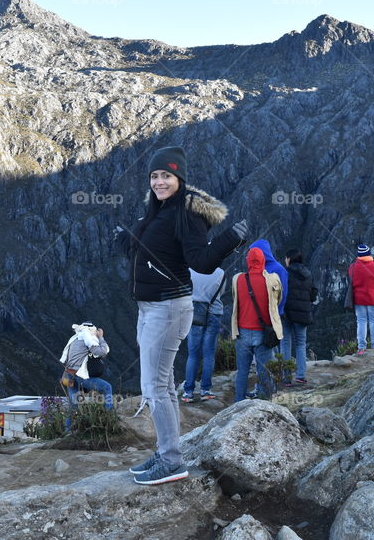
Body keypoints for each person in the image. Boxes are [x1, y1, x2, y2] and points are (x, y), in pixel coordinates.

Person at [115, 146, 248, 486]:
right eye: (155, 176)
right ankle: (166, 452)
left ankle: (172, 461)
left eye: (167, 176)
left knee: (155, 386)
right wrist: (127, 240)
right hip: (149, 308)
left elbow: (201, 261)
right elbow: (154, 252)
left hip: (169, 308)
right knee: (163, 386)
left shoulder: (186, 212)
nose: (159, 181)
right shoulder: (159, 209)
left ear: (180, 178)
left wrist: (231, 239)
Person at [231, 247, 283, 401]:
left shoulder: (237, 279)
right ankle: (265, 401)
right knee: (264, 371)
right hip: (263, 332)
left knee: (242, 371)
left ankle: (238, 402)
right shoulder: (273, 279)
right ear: (263, 261)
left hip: (242, 332)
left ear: (248, 261)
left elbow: (235, 299)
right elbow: (277, 300)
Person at [246, 239, 287, 395]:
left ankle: (270, 388)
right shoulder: (257, 269)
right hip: (258, 319)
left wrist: (275, 311)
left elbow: (283, 294)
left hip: (273, 318)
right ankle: (267, 386)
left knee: (271, 352)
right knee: (264, 354)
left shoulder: (278, 269)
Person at [182, 267, 227, 402]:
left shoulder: (190, 270)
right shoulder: (221, 273)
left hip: (195, 312)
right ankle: (205, 390)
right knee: (208, 353)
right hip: (215, 313)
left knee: (193, 354)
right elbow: (221, 292)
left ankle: (188, 392)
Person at [59, 322, 113, 428]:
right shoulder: (87, 339)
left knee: (74, 405)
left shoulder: (74, 340)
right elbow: (103, 351)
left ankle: (67, 432)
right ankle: (108, 420)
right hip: (81, 377)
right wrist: (101, 338)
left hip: (70, 377)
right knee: (107, 387)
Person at [281, 248, 318, 384]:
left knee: (285, 343)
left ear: (289, 259)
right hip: (303, 314)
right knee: (301, 343)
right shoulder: (308, 273)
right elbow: (314, 292)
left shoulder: (284, 273)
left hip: (286, 313)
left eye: (286, 258)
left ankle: (286, 378)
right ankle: (300, 375)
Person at [348, 244, 374, 354]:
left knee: (361, 322)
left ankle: (361, 347)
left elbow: (350, 277)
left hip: (359, 299)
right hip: (373, 299)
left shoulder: (353, 267)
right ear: (368, 254)